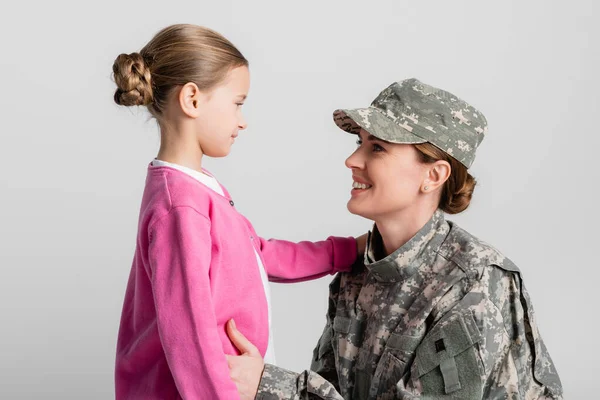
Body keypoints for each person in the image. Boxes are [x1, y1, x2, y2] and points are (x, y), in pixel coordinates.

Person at [225, 78, 563, 399]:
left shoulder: (473, 283)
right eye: (360, 143)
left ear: (433, 175)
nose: (352, 160)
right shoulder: (360, 270)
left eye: (378, 148)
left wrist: (269, 386)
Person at [112, 24, 366, 400]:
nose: (242, 120)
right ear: (193, 100)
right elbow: (189, 334)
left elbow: (255, 254)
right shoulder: (181, 207)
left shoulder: (198, 189)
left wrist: (343, 251)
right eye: (237, 103)